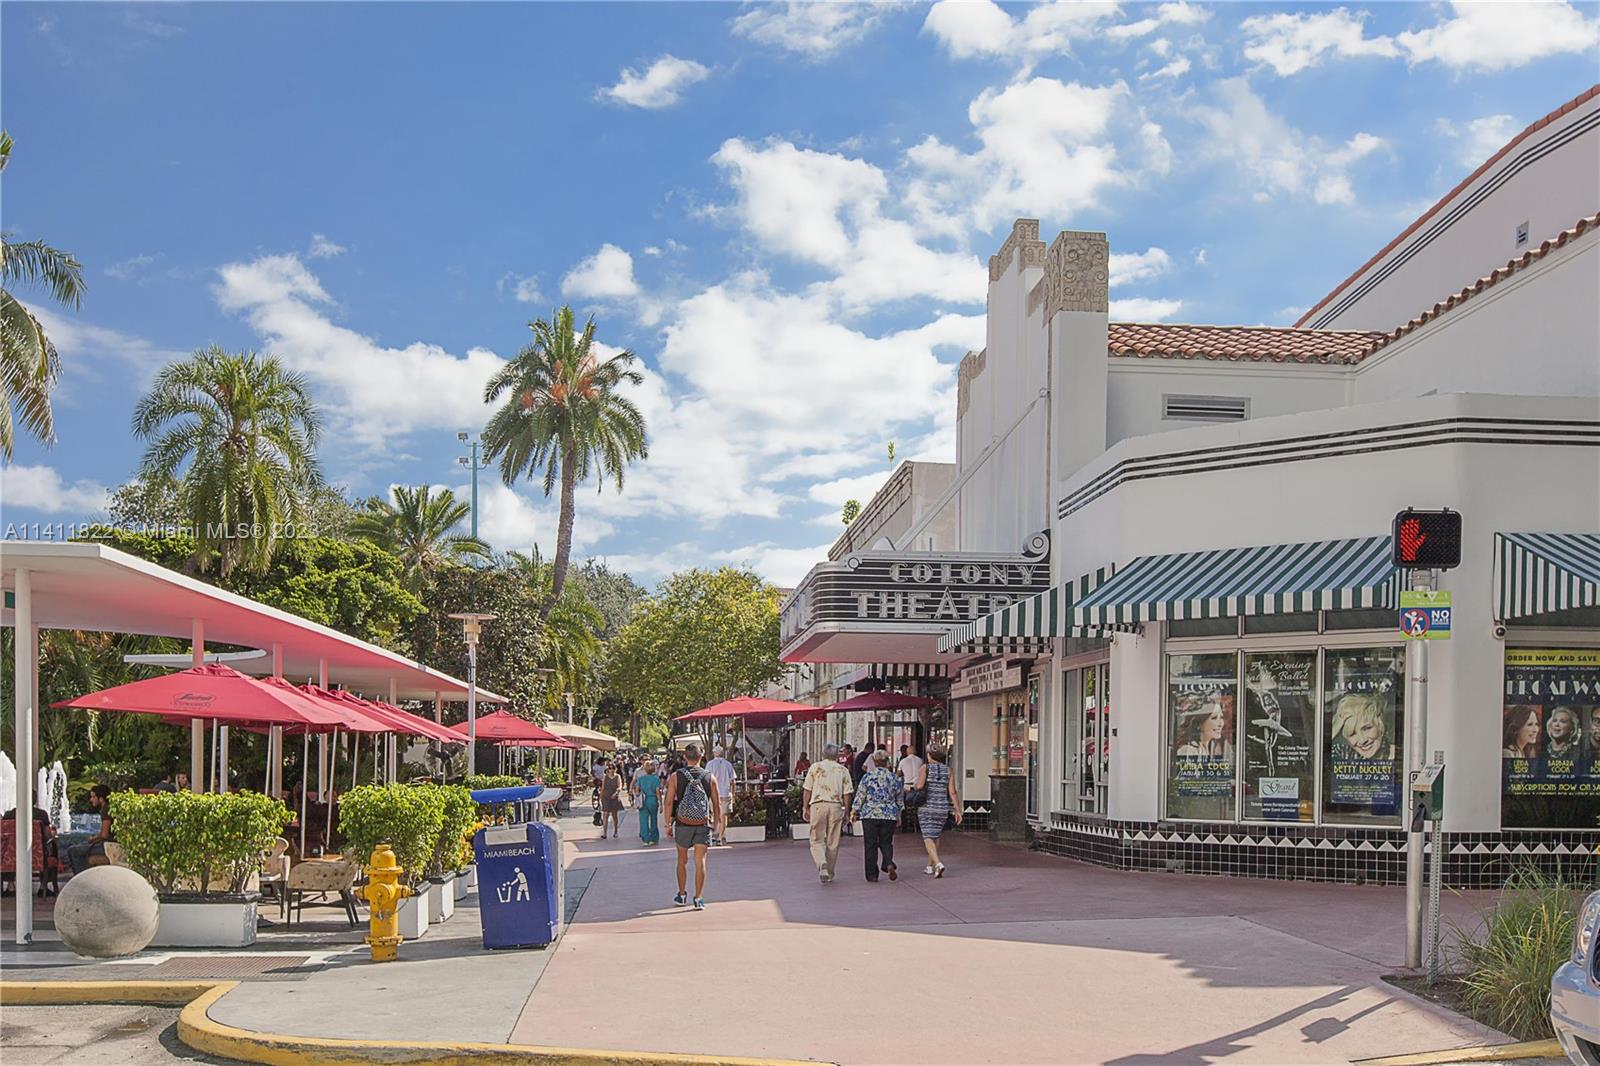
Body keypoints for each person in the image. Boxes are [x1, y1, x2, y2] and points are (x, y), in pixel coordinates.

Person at [664, 744, 721, 909]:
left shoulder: (676, 776)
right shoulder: (710, 777)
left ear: (684, 757)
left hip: (682, 823)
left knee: (682, 861)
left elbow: (668, 802)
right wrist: (716, 823)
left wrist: (667, 824)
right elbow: (716, 805)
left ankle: (682, 895)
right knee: (700, 861)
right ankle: (699, 898)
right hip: (702, 824)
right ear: (701, 756)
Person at [802, 742, 854, 884]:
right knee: (833, 841)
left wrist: (805, 807)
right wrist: (847, 811)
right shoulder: (843, 770)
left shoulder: (815, 767)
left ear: (823, 754)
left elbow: (807, 789)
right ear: (837, 755)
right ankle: (829, 872)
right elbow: (847, 793)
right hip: (835, 806)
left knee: (816, 839)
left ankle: (821, 863)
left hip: (818, 805)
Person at [851, 750, 904, 883]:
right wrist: (898, 814)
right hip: (889, 814)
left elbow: (860, 795)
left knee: (870, 844)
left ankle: (872, 875)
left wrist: (854, 810)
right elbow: (899, 799)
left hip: (870, 814)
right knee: (886, 841)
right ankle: (888, 862)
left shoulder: (868, 777)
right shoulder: (894, 778)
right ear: (887, 762)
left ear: (874, 762)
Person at [913, 744, 960, 878]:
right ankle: (930, 866)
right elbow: (952, 792)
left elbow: (920, 785)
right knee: (935, 836)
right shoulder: (948, 770)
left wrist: (915, 786)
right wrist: (957, 809)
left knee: (927, 837)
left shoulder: (925, 768)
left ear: (929, 756)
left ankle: (938, 864)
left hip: (927, 807)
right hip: (942, 808)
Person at [66, 785, 114, 874]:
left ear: (101, 798)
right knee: (81, 847)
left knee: (72, 850)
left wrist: (93, 838)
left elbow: (104, 835)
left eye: (93, 797)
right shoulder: (109, 807)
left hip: (109, 846)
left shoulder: (106, 809)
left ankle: (80, 879)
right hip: (109, 844)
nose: (91, 800)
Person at [703, 746, 736, 846]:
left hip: (714, 794)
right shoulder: (728, 764)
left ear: (714, 753)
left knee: (714, 815)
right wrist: (733, 794)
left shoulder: (710, 764)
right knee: (723, 816)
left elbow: (706, 779)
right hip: (725, 793)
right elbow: (733, 781)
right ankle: (720, 837)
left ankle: (713, 835)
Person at [896, 744, 924, 833]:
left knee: (903, 805)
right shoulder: (921, 760)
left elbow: (898, 774)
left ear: (907, 752)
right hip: (918, 787)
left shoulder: (903, 761)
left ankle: (905, 825)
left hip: (907, 787)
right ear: (915, 752)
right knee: (918, 806)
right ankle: (918, 824)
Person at [636, 760, 663, 846]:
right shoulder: (656, 779)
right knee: (653, 819)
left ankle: (645, 839)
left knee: (643, 820)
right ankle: (654, 838)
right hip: (653, 800)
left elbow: (637, 791)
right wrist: (661, 804)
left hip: (643, 800)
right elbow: (658, 792)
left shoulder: (640, 779)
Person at [599, 763, 624, 839]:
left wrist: (617, 792)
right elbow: (602, 788)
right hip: (606, 797)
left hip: (614, 798)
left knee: (614, 815)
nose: (611, 770)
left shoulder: (617, 777)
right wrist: (600, 798)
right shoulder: (605, 777)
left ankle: (615, 831)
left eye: (613, 768)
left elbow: (619, 786)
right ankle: (605, 833)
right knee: (605, 815)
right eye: (610, 768)